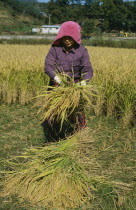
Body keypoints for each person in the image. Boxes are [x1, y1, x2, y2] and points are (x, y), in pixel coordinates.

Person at [43, 21, 93, 141]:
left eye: (70, 38)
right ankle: (53, 137)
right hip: (56, 85)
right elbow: (48, 66)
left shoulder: (82, 51)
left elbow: (88, 69)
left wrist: (84, 82)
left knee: (77, 113)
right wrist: (57, 78)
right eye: (64, 37)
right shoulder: (55, 49)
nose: (67, 40)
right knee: (52, 114)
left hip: (74, 86)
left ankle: (80, 137)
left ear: (75, 37)